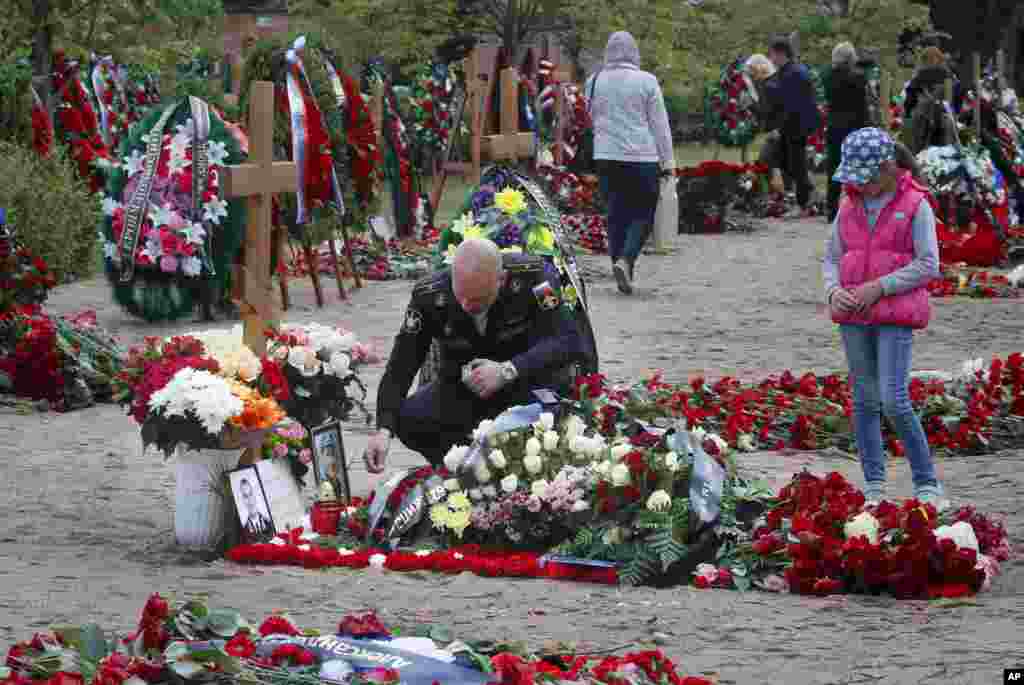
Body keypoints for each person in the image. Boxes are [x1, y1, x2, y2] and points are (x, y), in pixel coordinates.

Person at [363, 239, 584, 471]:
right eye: (461, 296)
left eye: (479, 299)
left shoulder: (535, 278)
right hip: (463, 389)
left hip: (524, 382)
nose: (468, 305)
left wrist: (508, 370)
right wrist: (383, 431)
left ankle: (518, 472)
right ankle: (459, 469)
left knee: (551, 423)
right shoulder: (428, 295)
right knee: (408, 419)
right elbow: (401, 364)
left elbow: (568, 340)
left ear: (502, 279)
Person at [822, 127, 947, 510]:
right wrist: (832, 290)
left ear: (889, 168)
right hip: (853, 316)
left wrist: (881, 287)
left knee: (894, 399)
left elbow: (929, 264)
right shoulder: (848, 205)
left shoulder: (915, 205)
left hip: (895, 313)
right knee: (863, 399)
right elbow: (830, 257)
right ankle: (874, 484)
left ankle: (927, 482)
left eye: (869, 179)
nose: (863, 187)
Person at [586, 31, 675, 294]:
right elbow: (660, 125)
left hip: (605, 157)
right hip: (641, 158)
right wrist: (667, 160)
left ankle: (619, 266)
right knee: (644, 212)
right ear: (634, 52)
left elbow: (590, 117)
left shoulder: (594, 80)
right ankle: (626, 261)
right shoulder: (647, 81)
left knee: (616, 213)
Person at [765, 35, 821, 216]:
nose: (770, 58)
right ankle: (807, 195)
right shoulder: (790, 71)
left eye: (772, 54)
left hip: (795, 126)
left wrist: (779, 128)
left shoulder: (793, 73)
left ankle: (804, 204)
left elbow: (791, 104)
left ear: (781, 54)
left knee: (796, 165)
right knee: (786, 163)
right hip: (792, 125)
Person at [824, 42, 871, 221]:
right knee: (858, 167)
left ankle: (831, 208)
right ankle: (859, 207)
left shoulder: (828, 76)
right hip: (855, 126)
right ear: (852, 58)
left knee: (834, 167)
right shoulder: (859, 77)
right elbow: (863, 105)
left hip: (835, 125)